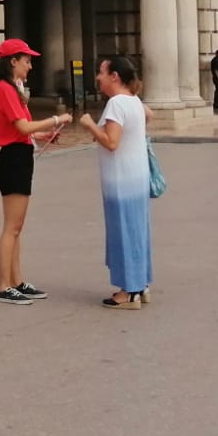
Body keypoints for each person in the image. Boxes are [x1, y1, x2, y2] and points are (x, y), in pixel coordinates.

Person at [0, 38, 72, 305]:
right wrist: (57, 119)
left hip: (19, 156)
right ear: (13, 62)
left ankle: (16, 281)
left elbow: (22, 130)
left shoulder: (12, 88)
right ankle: (3, 285)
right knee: (11, 227)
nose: (30, 66)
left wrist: (45, 134)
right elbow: (22, 127)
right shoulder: (5, 89)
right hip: (13, 160)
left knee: (16, 227)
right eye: (27, 60)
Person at [78, 56, 152, 309]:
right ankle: (140, 284)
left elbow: (111, 142)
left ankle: (128, 291)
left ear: (114, 77)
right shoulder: (134, 101)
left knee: (123, 233)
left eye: (101, 72)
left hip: (121, 182)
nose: (97, 77)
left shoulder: (116, 104)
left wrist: (89, 125)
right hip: (137, 177)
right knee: (137, 231)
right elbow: (147, 116)